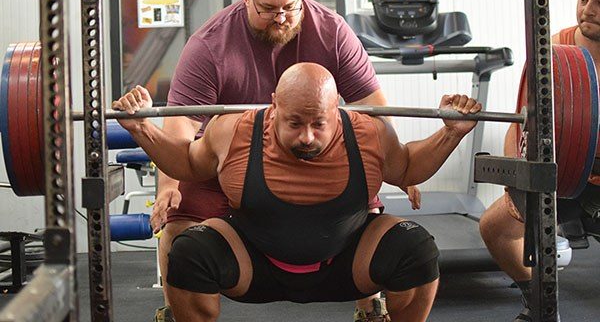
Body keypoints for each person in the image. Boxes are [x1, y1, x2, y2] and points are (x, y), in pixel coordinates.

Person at [113, 63, 483, 322]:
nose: (307, 136)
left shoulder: (368, 133)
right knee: (189, 253)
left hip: (345, 263)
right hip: (254, 263)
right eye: (294, 123)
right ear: (274, 105)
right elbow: (187, 165)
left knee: (415, 248)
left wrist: (451, 133)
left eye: (318, 123)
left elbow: (407, 167)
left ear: (336, 110)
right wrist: (141, 129)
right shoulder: (234, 131)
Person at [153, 0, 389, 322]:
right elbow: (181, 125)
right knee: (179, 220)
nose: (281, 18)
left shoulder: (333, 31)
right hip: (228, 159)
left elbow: (372, 110)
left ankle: (371, 308)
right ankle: (178, 309)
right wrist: (168, 185)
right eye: (267, 9)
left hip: (313, 152)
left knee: (367, 204)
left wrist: (398, 165)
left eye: (290, 7)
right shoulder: (209, 46)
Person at [479, 0, 600, 322]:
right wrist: (516, 182)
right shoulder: (553, 52)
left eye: (599, 1)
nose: (587, 10)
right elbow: (521, 127)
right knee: (494, 227)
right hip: (556, 176)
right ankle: (538, 300)